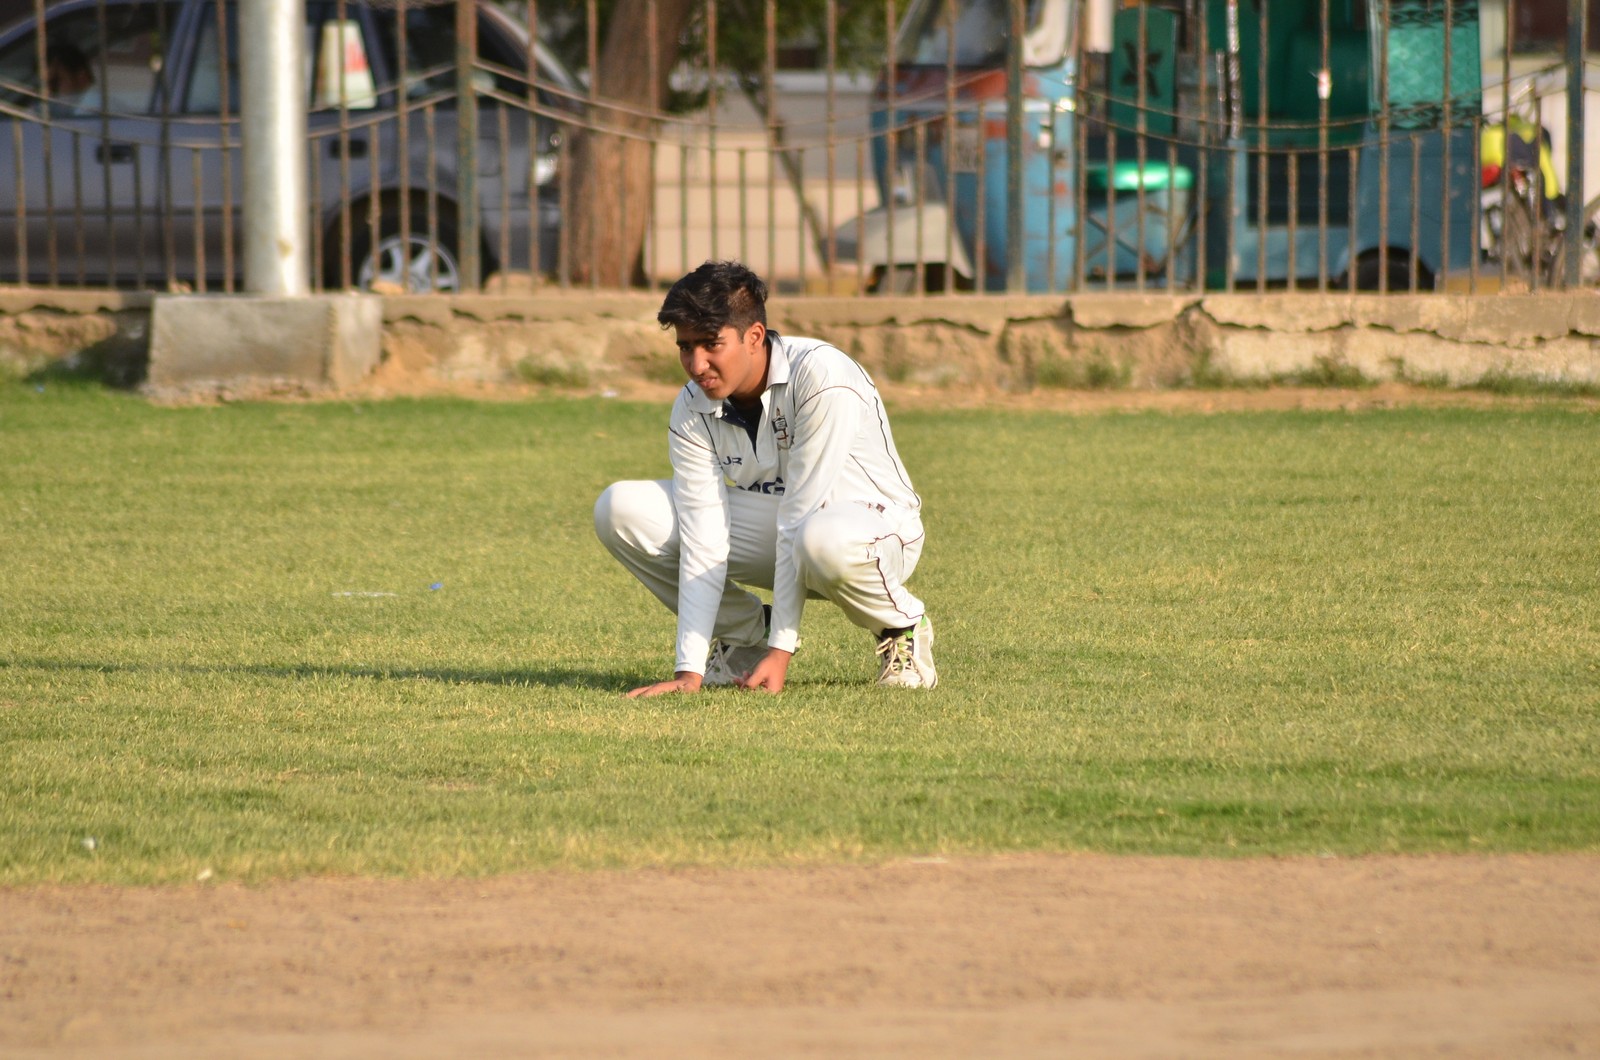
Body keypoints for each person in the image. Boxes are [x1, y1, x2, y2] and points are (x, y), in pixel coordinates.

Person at [594, 260, 937, 697]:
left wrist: (782, 651)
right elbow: (703, 537)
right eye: (685, 347)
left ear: (754, 336)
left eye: (711, 344)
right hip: (787, 530)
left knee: (821, 537)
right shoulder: (692, 405)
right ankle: (746, 635)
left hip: (874, 532)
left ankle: (902, 626)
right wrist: (688, 673)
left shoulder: (822, 376)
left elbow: (800, 517)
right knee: (620, 510)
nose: (696, 364)